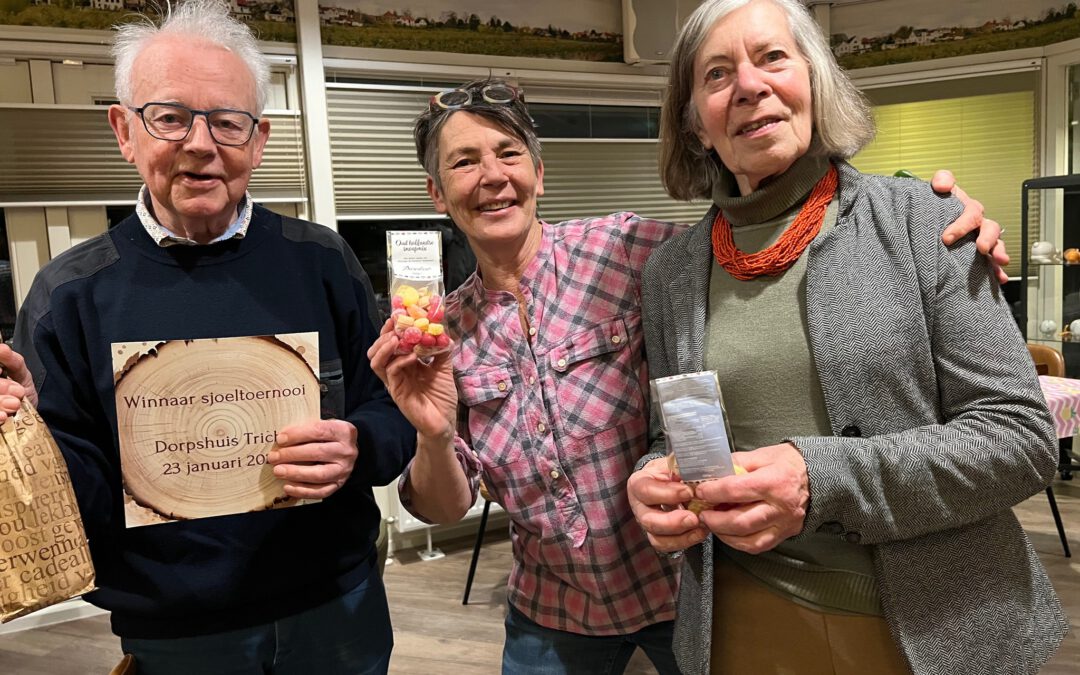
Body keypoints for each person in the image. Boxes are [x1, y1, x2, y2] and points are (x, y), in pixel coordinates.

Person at [363, 75, 1008, 674]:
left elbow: (770, 236)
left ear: (538, 169)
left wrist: (925, 216)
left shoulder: (630, 251)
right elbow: (446, 506)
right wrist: (434, 433)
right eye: (464, 161)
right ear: (436, 191)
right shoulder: (437, 338)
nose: (491, 177)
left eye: (507, 153)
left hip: (688, 594)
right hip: (552, 612)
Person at [626, 1, 1067, 674]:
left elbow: (1019, 438)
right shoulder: (670, 274)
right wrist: (654, 478)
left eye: (773, 57)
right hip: (734, 627)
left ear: (816, 80)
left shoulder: (930, 223)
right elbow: (679, 432)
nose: (748, 85)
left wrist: (819, 478)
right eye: (716, 74)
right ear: (694, 122)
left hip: (934, 630)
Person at [0, 1, 414, 673]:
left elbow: (392, 414)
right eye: (171, 116)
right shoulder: (68, 295)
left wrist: (359, 445)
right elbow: (77, 498)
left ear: (259, 138)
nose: (201, 143)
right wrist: (20, 437)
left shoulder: (322, 261)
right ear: (124, 130)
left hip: (339, 613)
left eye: (227, 121)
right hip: (178, 638)